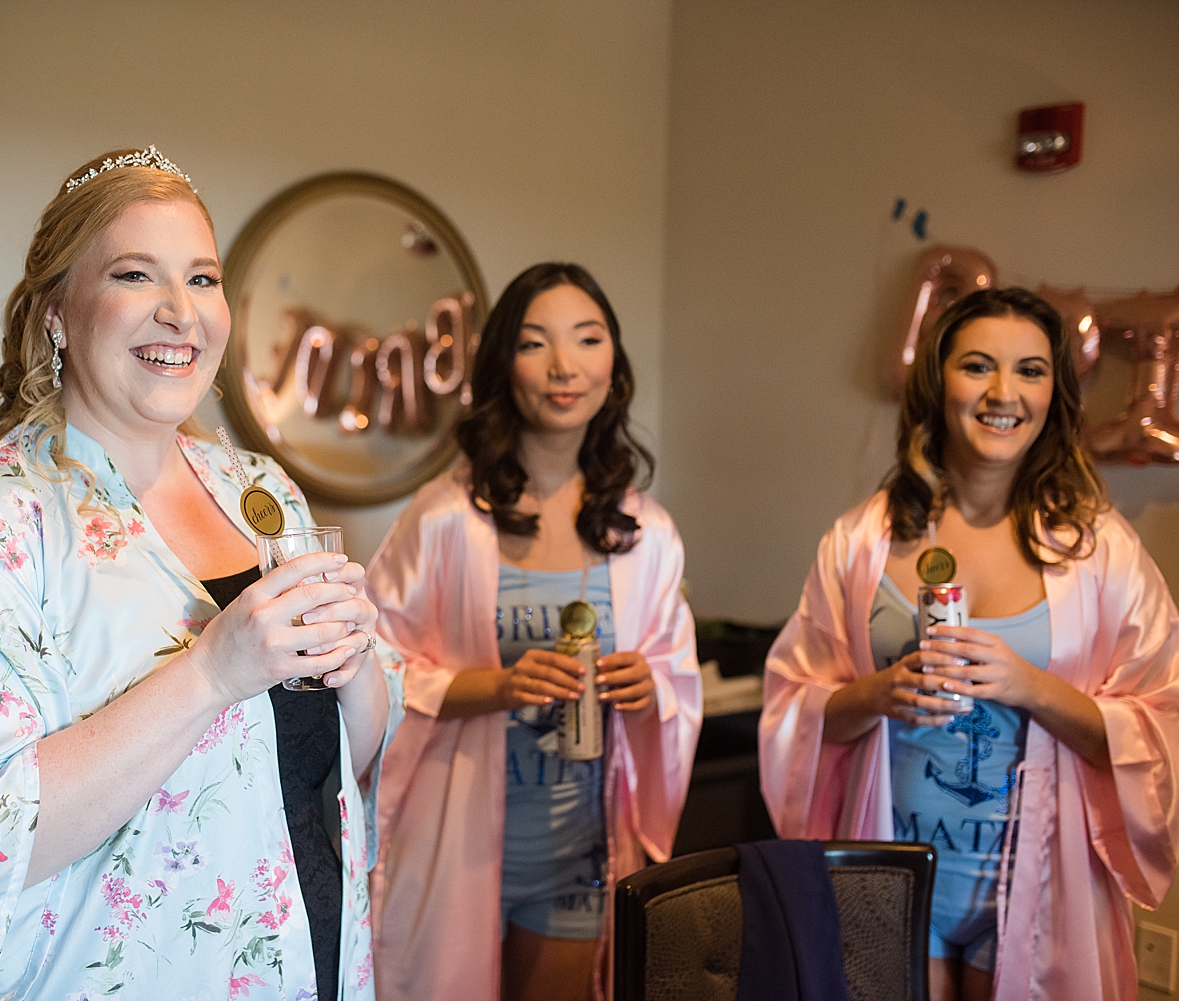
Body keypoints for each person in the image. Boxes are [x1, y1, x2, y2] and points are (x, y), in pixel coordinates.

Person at [0, 147, 402, 1000]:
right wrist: (212, 672)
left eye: (201, 278)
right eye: (133, 274)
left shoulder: (260, 491)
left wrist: (356, 667)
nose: (179, 313)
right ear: (58, 314)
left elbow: (343, 758)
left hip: (311, 957)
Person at [760, 287, 1179, 1001]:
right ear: (938, 381)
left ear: (1055, 392)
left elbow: (1161, 725)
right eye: (978, 366)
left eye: (1031, 370)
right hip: (891, 873)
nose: (1003, 392)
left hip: (1036, 881)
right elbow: (792, 712)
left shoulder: (1100, 550)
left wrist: (1031, 686)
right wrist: (876, 694)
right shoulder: (863, 542)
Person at [366, 263, 702, 1001]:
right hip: (455, 846)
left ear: (613, 366)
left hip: (579, 853)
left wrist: (647, 689)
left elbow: (677, 682)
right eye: (534, 342)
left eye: (588, 339)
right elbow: (369, 672)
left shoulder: (644, 533)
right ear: (502, 367)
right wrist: (497, 687)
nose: (563, 366)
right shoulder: (445, 518)